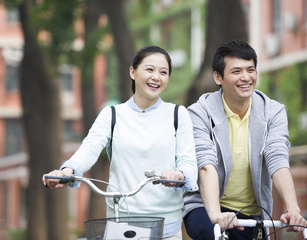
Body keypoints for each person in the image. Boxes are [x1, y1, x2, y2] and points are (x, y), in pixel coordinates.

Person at [42, 46, 198, 239]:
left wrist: (179, 174)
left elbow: (189, 162)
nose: (156, 77)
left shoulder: (177, 114)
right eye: (149, 69)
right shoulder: (112, 114)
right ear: (133, 72)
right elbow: (90, 147)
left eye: (163, 72)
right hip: (121, 222)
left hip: (166, 227)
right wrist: (67, 171)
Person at [182, 40, 307, 239]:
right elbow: (205, 164)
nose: (246, 77)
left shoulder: (273, 112)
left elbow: (277, 157)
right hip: (206, 207)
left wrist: (293, 209)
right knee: (211, 233)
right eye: (236, 71)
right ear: (218, 77)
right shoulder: (199, 112)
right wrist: (216, 214)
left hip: (254, 211)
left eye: (251, 70)